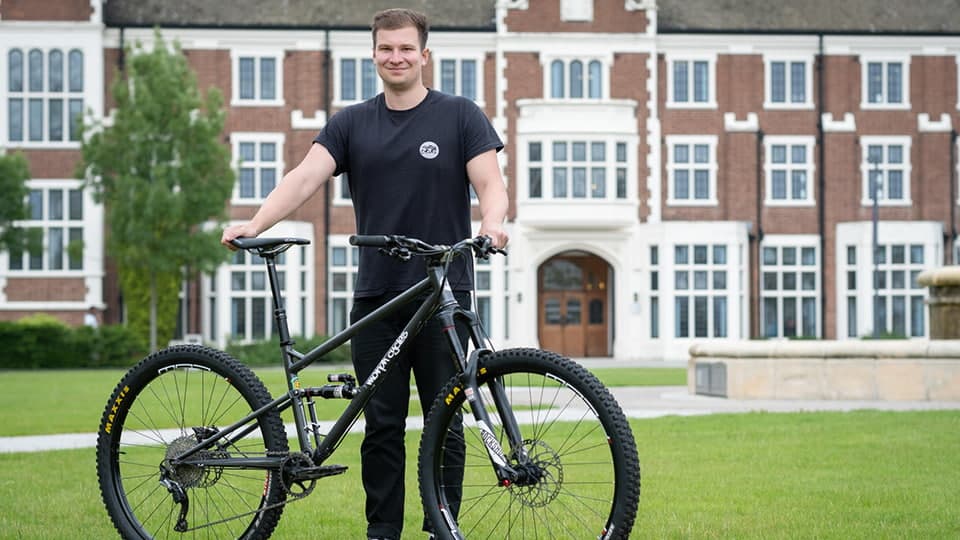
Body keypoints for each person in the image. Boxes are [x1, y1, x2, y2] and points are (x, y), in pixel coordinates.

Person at [221, 8, 509, 539]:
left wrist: (493, 225)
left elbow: (489, 182)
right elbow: (306, 176)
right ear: (373, 54)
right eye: (385, 49)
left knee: (446, 424)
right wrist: (256, 221)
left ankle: (439, 529)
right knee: (382, 425)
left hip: (444, 291)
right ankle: (382, 532)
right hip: (378, 294)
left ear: (424, 55)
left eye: (406, 48)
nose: (395, 57)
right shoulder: (351, 122)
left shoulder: (461, 116)